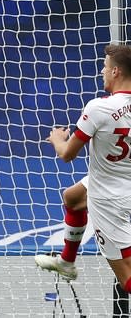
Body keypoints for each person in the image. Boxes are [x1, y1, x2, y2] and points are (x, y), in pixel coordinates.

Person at [43, 43, 131, 296]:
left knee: (126, 278)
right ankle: (67, 262)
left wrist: (57, 138)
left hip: (109, 197)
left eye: (104, 68)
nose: (102, 72)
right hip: (116, 177)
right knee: (72, 197)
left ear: (115, 72)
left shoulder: (99, 108)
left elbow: (68, 154)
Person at [34, 177, 88, 281]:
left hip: (118, 173)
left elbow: (67, 159)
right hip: (111, 169)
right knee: (73, 198)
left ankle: (67, 261)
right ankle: (67, 261)